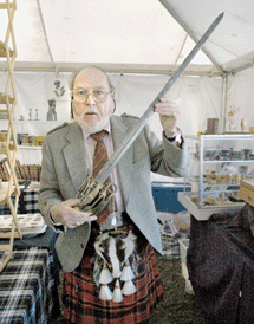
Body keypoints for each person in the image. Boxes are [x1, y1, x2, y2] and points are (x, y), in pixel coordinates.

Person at [38, 66, 190, 324]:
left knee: (135, 319)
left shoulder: (136, 129)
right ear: (72, 100)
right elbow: (47, 193)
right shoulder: (55, 141)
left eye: (99, 92)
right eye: (81, 93)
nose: (90, 100)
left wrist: (170, 132)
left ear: (112, 97)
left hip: (133, 237)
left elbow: (175, 168)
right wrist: (57, 212)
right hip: (83, 242)